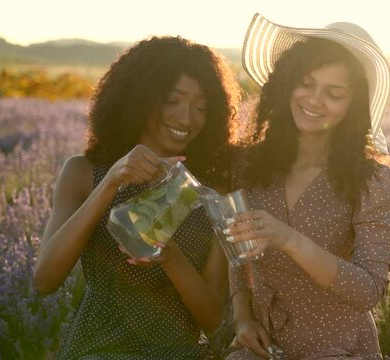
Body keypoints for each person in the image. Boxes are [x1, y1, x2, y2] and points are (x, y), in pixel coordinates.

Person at [33, 36, 241, 359]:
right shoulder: (84, 173)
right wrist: (112, 182)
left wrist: (171, 258)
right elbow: (45, 279)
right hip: (96, 351)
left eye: (201, 107)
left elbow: (215, 319)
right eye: (173, 100)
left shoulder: (211, 192)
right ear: (140, 98)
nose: (186, 118)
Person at [225, 14, 390, 360]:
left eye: (334, 93)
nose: (313, 100)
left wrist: (290, 239)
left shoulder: (375, 183)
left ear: (354, 105)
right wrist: (243, 319)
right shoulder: (251, 167)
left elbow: (368, 290)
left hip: (338, 350)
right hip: (266, 348)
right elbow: (239, 258)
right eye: (305, 83)